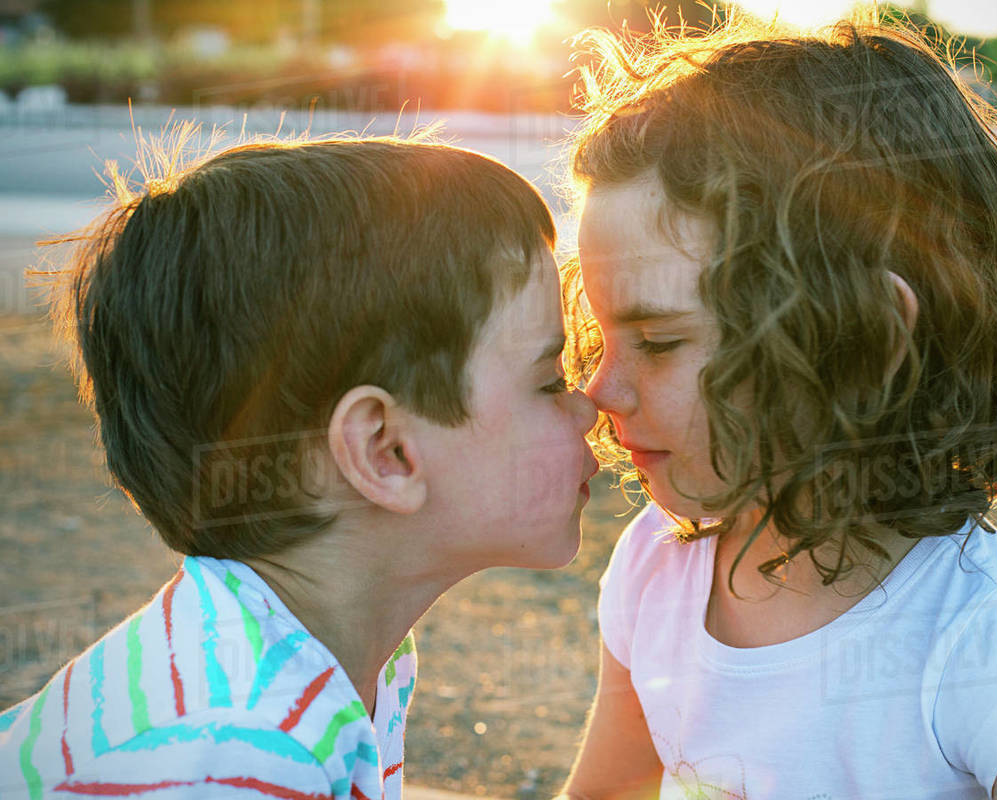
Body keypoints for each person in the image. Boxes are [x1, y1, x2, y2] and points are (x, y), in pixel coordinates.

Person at [558, 12, 997, 800]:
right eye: (602, 334)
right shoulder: (656, 570)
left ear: (865, 338)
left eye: (658, 342)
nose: (600, 391)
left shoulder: (992, 644)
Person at [0, 134, 598, 799]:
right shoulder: (235, 753)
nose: (589, 407)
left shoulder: (335, 662)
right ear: (386, 452)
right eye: (550, 381)